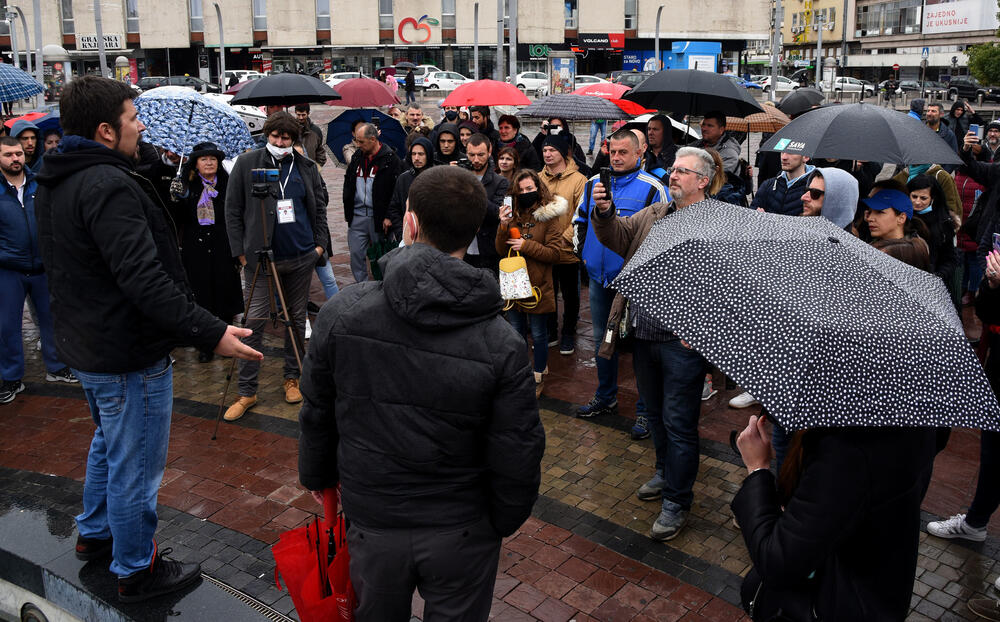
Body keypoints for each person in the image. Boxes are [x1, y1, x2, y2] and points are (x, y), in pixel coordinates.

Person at [34, 75, 260, 601]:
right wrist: (212, 331)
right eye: (134, 120)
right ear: (107, 131)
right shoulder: (107, 185)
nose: (142, 128)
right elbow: (145, 280)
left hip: (89, 346)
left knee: (107, 445)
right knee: (134, 465)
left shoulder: (56, 176)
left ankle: (95, 535)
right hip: (126, 353)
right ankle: (136, 568)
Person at [298, 165, 545, 622]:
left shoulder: (342, 313)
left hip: (374, 516)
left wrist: (318, 477)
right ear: (473, 231)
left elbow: (318, 410)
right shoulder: (502, 342)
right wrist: (502, 520)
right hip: (462, 526)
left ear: (409, 223)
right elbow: (519, 446)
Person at [590, 146, 721, 541]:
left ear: (703, 180)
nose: (673, 175)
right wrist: (605, 212)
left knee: (680, 423)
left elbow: (726, 287)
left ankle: (678, 501)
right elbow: (618, 236)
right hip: (644, 336)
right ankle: (665, 474)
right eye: (674, 169)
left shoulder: (716, 225)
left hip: (683, 345)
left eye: (683, 171)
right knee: (658, 415)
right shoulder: (657, 215)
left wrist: (699, 330)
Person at [732, 414, 938, 620]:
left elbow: (776, 562)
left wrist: (757, 468)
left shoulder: (848, 451)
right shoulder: (917, 415)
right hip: (884, 586)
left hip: (841, 603)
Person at [224, 111, 330, 421]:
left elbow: (319, 208)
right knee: (252, 322)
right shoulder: (247, 164)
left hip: (300, 257)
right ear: (267, 135)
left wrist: (319, 247)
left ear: (294, 140)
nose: (279, 142)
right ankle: (246, 390)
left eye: (285, 138)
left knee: (296, 321)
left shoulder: (306, 167)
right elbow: (233, 211)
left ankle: (291, 377)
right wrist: (241, 254)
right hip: (258, 259)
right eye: (275, 136)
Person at [572, 129, 668, 437]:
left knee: (641, 347)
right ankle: (605, 397)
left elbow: (662, 235)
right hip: (599, 279)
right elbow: (579, 222)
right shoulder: (593, 184)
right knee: (603, 340)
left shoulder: (653, 188)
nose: (616, 158)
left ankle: (645, 411)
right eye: (612, 152)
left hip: (635, 284)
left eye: (623, 152)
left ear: (639, 153)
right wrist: (584, 255)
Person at [0, 137, 77, 404]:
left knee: (52, 318)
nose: (15, 159)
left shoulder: (38, 183)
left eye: (18, 153)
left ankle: (57, 368)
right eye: (9, 154)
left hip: (43, 265)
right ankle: (11, 378)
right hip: (9, 268)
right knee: (7, 326)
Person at [497, 170, 568, 397]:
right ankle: (519, 373)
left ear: (538, 189)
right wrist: (502, 226)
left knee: (538, 334)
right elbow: (500, 250)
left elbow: (555, 254)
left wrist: (525, 246)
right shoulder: (513, 215)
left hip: (538, 286)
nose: (526, 193)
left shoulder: (549, 217)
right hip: (515, 283)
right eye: (521, 190)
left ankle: (538, 374)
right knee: (516, 332)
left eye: (530, 188)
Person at [175, 142, 244, 363]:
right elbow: (178, 218)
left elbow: (236, 213)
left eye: (212, 159)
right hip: (196, 248)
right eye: (204, 159)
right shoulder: (188, 186)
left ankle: (228, 340)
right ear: (195, 163)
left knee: (225, 292)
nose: (209, 162)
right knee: (202, 295)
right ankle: (206, 344)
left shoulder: (227, 183)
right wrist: (177, 198)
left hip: (223, 246)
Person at [539, 132, 587, 356]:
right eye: (545, 151)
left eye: (552, 151)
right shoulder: (538, 178)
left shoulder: (579, 180)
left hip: (567, 248)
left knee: (570, 293)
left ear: (563, 153)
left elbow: (581, 213)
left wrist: (564, 239)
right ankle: (551, 331)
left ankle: (568, 331)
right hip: (545, 248)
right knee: (548, 291)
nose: (547, 154)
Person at [342, 121, 402, 283]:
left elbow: (396, 191)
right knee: (356, 254)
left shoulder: (391, 160)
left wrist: (389, 215)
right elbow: (348, 183)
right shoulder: (356, 157)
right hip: (357, 216)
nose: (357, 144)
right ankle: (361, 288)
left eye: (361, 141)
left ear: (373, 139)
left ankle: (382, 287)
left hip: (380, 218)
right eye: (356, 140)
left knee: (381, 256)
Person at [463, 133, 508, 275]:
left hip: (488, 250)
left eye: (481, 155)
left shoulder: (500, 182)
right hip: (461, 247)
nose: (476, 160)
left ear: (489, 152)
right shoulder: (458, 177)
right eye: (471, 155)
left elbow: (497, 214)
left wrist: (473, 188)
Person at [386, 136, 434, 239]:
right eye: (413, 154)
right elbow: (394, 208)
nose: (416, 158)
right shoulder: (403, 179)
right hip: (408, 236)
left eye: (421, 154)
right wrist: (401, 233)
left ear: (428, 155)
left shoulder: (437, 178)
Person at [749, 152, 814, 216]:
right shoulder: (768, 185)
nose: (783, 157)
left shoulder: (816, 188)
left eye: (791, 152)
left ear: (805, 157)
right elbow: (752, 212)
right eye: (782, 152)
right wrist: (757, 216)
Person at [691, 111, 741, 176]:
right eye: (703, 124)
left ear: (721, 130)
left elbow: (718, 180)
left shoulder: (729, 154)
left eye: (710, 126)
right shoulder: (699, 143)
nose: (704, 128)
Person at [925, 102, 960, 170]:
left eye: (933, 111)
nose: (929, 113)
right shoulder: (919, 130)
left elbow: (953, 158)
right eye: (928, 111)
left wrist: (942, 174)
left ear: (941, 114)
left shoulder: (948, 135)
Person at [293, 103, 328, 168]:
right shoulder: (290, 128)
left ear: (308, 113)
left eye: (303, 115)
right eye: (298, 115)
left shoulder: (316, 131)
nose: (301, 117)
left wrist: (317, 168)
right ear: (295, 113)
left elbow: (320, 152)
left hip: (311, 170)